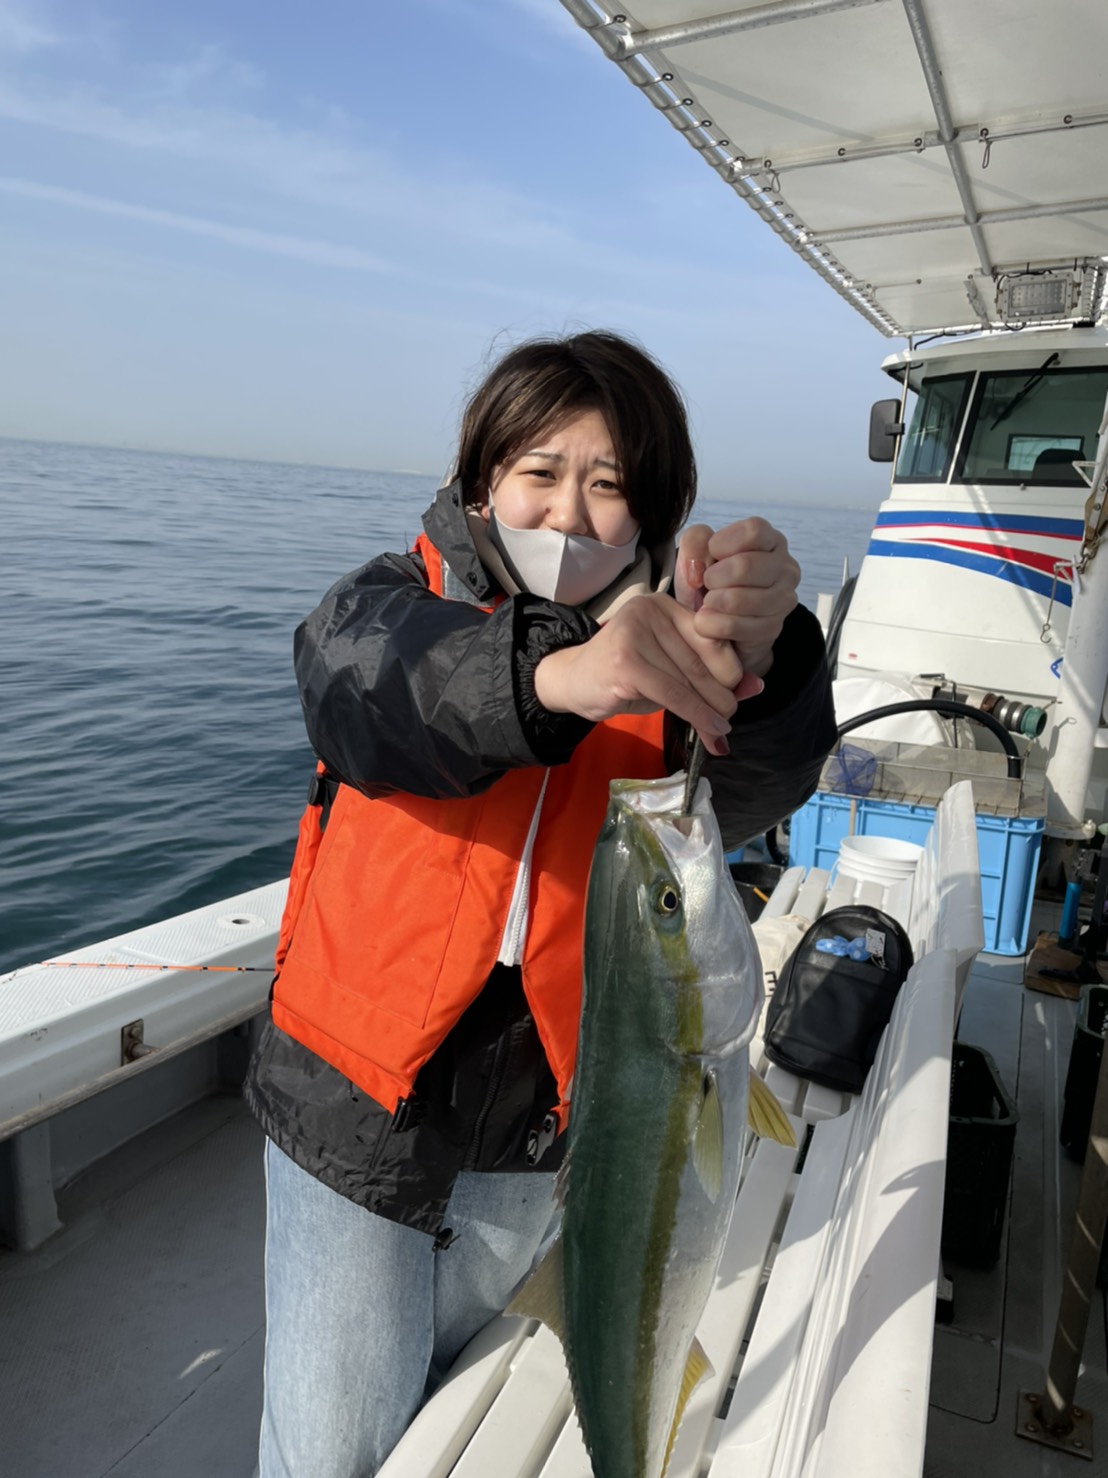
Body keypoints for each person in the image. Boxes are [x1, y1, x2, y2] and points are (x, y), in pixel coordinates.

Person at [244, 329, 837, 1477]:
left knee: (454, 1417)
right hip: (354, 1117)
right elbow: (367, 685)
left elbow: (761, 783)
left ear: (652, 510)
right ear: (481, 484)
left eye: (607, 484)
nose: (568, 513)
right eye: (539, 472)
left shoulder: (672, 660)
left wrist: (770, 659)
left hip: (551, 1130)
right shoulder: (385, 603)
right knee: (330, 1449)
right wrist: (565, 675)